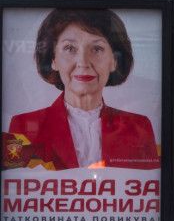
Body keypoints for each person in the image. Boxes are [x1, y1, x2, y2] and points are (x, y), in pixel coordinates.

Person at [8, 9, 160, 170]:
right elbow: (19, 188)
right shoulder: (23, 126)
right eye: (69, 48)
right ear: (53, 60)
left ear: (114, 61)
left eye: (96, 49)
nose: (83, 62)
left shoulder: (139, 127)